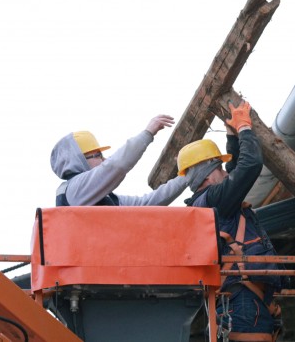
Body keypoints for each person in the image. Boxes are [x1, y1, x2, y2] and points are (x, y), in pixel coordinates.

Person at [178, 100, 282, 342]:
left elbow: (235, 172)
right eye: (220, 167)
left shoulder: (208, 202)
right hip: (244, 302)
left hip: (242, 298)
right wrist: (245, 127)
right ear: (206, 172)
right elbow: (248, 167)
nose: (225, 172)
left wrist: (232, 137)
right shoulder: (214, 199)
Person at [50, 114, 188, 206]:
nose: (104, 160)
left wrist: (187, 177)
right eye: (98, 155)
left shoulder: (103, 197)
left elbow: (146, 203)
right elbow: (116, 165)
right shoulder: (75, 190)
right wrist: (148, 133)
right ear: (79, 160)